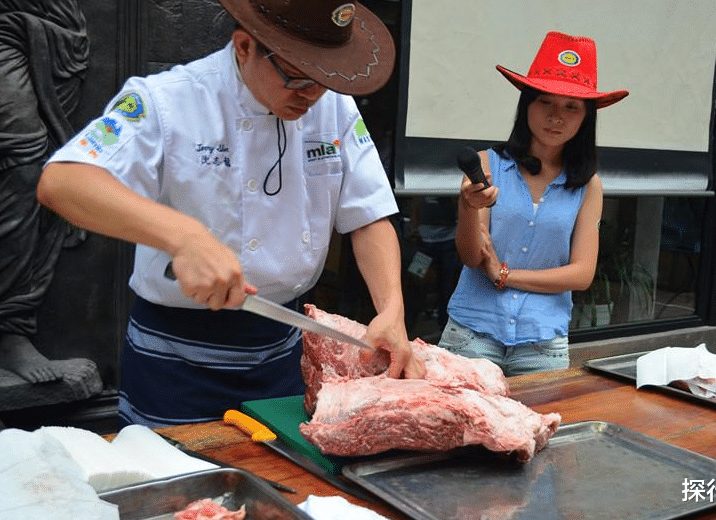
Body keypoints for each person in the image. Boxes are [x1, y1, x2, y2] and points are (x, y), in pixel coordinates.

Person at [36, 0, 425, 428]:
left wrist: (391, 308)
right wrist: (185, 236)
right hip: (175, 357)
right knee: (172, 471)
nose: (311, 96)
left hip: (283, 349)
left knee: (283, 467)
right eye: (297, 78)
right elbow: (64, 181)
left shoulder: (333, 106)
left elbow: (368, 214)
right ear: (244, 47)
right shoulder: (168, 100)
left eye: (323, 81)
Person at [438, 31, 628, 376]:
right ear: (526, 104)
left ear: (586, 117)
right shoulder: (486, 164)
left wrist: (505, 275)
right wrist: (468, 206)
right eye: (545, 101)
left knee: (541, 416)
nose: (556, 116)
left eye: (571, 107)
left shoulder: (589, 185)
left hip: (543, 342)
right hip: (472, 333)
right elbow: (472, 256)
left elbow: (582, 273)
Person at [0, 0, 89, 384]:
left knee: (51, 165)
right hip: (9, 28)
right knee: (26, 165)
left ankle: (12, 331)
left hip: (60, 31)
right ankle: (10, 329)